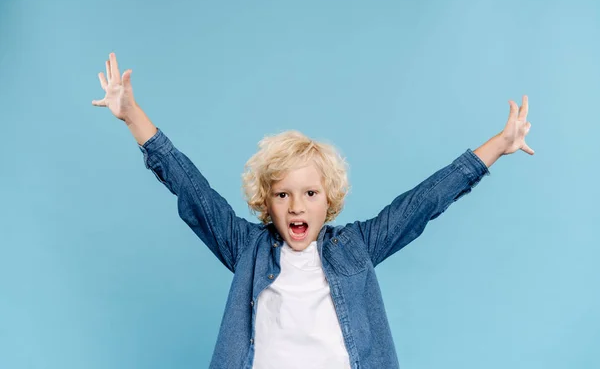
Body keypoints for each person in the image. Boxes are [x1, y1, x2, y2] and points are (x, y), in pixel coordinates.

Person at [92, 52, 534, 368]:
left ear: (330, 199)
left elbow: (422, 204)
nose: (297, 206)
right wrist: (133, 116)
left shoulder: (357, 247)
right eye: (282, 195)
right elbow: (191, 188)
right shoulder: (247, 248)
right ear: (266, 201)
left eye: (310, 193)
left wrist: (497, 145)